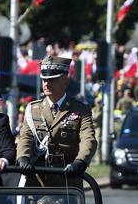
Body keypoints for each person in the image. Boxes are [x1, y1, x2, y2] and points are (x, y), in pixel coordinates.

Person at [15, 56, 97, 186]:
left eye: (52, 80)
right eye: (44, 79)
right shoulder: (33, 109)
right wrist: (23, 158)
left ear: (65, 81)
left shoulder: (80, 110)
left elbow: (88, 139)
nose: (46, 84)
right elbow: (25, 136)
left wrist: (80, 162)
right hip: (38, 180)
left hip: (67, 179)